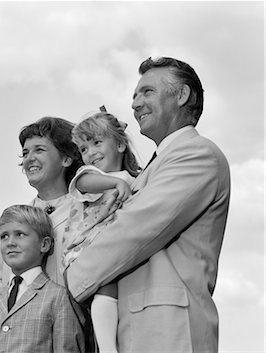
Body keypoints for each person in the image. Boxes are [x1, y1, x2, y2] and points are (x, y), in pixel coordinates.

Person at [65, 57, 231, 352]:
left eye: (147, 92)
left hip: (168, 331)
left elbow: (136, 229)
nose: (136, 103)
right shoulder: (153, 167)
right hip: (134, 329)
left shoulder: (197, 154)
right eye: (134, 96)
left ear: (181, 96)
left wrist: (70, 279)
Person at [0, 117, 83, 314]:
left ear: (66, 158)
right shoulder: (15, 223)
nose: (29, 158)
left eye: (39, 150)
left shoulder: (86, 210)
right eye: (25, 153)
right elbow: (4, 281)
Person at [62, 110, 141, 353]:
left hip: (112, 248)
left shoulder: (135, 177)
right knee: (107, 289)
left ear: (119, 144)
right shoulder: (92, 176)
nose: (91, 153)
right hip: (84, 250)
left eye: (97, 142)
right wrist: (116, 182)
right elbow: (83, 184)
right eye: (84, 149)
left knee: (118, 294)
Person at [0, 204, 85, 353]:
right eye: (4, 236)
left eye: (20, 234)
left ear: (44, 244)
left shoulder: (58, 298)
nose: (10, 242)